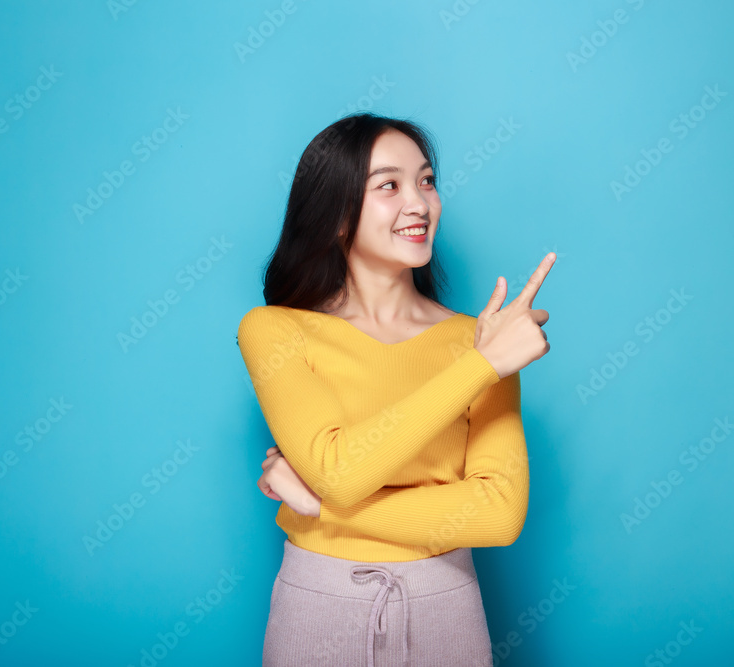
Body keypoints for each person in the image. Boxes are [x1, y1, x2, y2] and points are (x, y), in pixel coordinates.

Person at [236, 111, 555, 666]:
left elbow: (499, 515)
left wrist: (319, 507)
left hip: (447, 607)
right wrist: (480, 367)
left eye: (427, 181)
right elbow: (342, 471)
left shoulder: (478, 339)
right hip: (319, 605)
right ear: (337, 213)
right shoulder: (276, 330)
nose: (420, 202)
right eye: (389, 185)